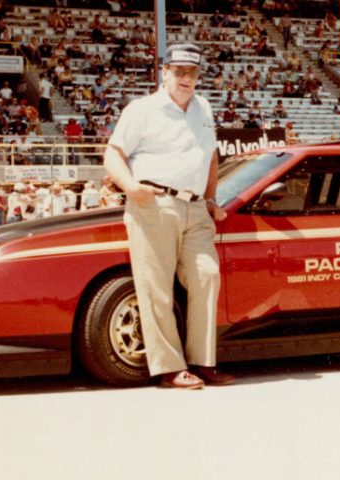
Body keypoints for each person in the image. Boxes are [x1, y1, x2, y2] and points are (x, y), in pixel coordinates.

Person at [103, 43, 233, 389]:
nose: (186, 79)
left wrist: (210, 198)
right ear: (164, 72)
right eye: (179, 72)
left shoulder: (203, 107)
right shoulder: (142, 109)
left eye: (192, 72)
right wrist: (131, 187)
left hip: (195, 207)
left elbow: (211, 157)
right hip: (155, 202)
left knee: (207, 276)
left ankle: (203, 361)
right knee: (156, 286)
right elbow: (113, 153)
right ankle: (169, 369)